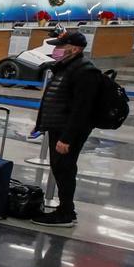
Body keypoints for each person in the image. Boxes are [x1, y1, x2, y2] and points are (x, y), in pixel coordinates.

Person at [32, 31, 100, 228]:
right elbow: (56, 99)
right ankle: (66, 209)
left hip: (67, 131)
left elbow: (82, 109)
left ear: (76, 49)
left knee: (65, 169)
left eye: (61, 47)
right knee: (60, 168)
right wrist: (41, 124)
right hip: (58, 127)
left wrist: (67, 138)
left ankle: (65, 213)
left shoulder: (84, 71)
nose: (56, 50)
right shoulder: (66, 67)